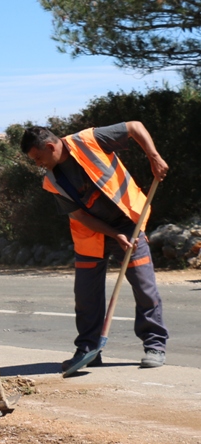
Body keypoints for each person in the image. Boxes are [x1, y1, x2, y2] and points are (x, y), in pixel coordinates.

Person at [20, 123, 169, 371]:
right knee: (86, 297)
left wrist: (154, 156)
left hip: (130, 222)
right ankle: (88, 349)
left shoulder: (88, 140)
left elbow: (135, 127)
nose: (38, 164)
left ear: (50, 146)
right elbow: (80, 215)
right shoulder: (52, 181)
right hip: (91, 236)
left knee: (145, 288)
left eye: (38, 158)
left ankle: (155, 345)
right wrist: (114, 234)